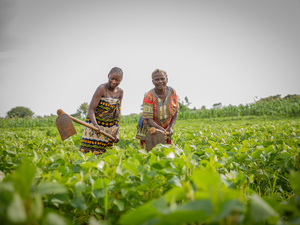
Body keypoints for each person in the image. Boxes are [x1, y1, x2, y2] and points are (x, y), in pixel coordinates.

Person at [80, 67, 124, 154]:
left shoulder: (120, 92)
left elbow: (118, 114)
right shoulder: (101, 89)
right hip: (94, 126)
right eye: (112, 78)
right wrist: (95, 125)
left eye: (117, 80)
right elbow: (91, 110)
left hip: (108, 128)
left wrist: (116, 133)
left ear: (121, 80)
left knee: (104, 156)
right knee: (88, 154)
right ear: (108, 76)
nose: (114, 82)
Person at [136, 69, 179, 148]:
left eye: (162, 79)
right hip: (150, 126)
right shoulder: (149, 96)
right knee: (150, 151)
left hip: (166, 127)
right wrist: (160, 129)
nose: (160, 81)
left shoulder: (172, 92)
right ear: (153, 82)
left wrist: (171, 128)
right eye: (157, 80)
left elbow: (175, 112)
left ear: (167, 80)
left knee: (166, 151)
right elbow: (148, 119)